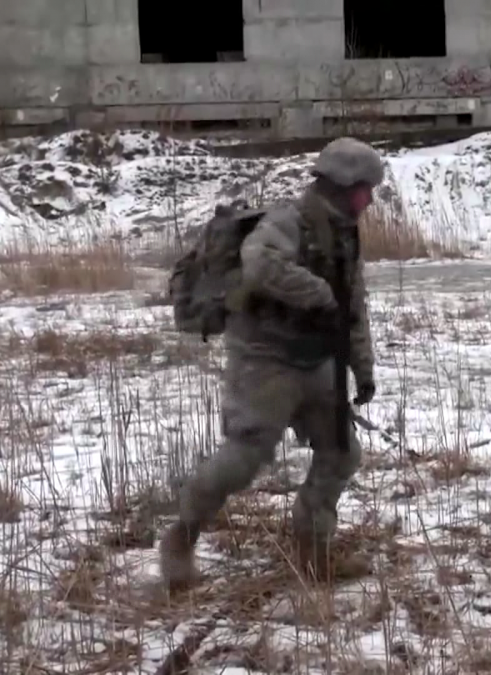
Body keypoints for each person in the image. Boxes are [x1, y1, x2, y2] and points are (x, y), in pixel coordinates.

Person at [158, 137, 382, 589]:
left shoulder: (345, 233)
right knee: (243, 459)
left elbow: (353, 305)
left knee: (342, 452)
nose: (369, 201)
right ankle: (182, 536)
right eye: (364, 191)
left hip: (316, 360)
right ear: (342, 186)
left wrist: (363, 367)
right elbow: (260, 264)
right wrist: (319, 293)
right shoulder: (289, 221)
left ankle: (313, 553)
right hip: (265, 359)